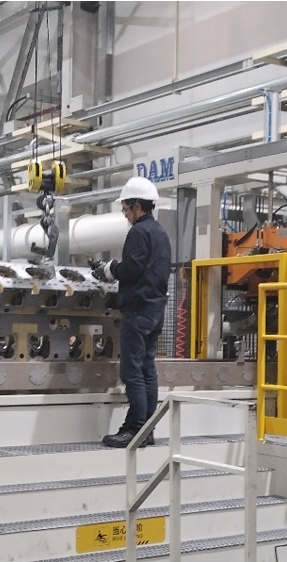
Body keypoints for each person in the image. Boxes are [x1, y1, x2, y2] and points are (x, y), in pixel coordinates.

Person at [94, 177, 172, 448]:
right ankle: (147, 430)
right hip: (155, 310)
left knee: (132, 371)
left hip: (138, 311)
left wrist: (110, 269)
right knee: (147, 369)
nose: (125, 214)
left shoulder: (139, 233)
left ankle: (135, 428)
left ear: (137, 206)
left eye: (126, 208)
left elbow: (132, 269)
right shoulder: (160, 233)